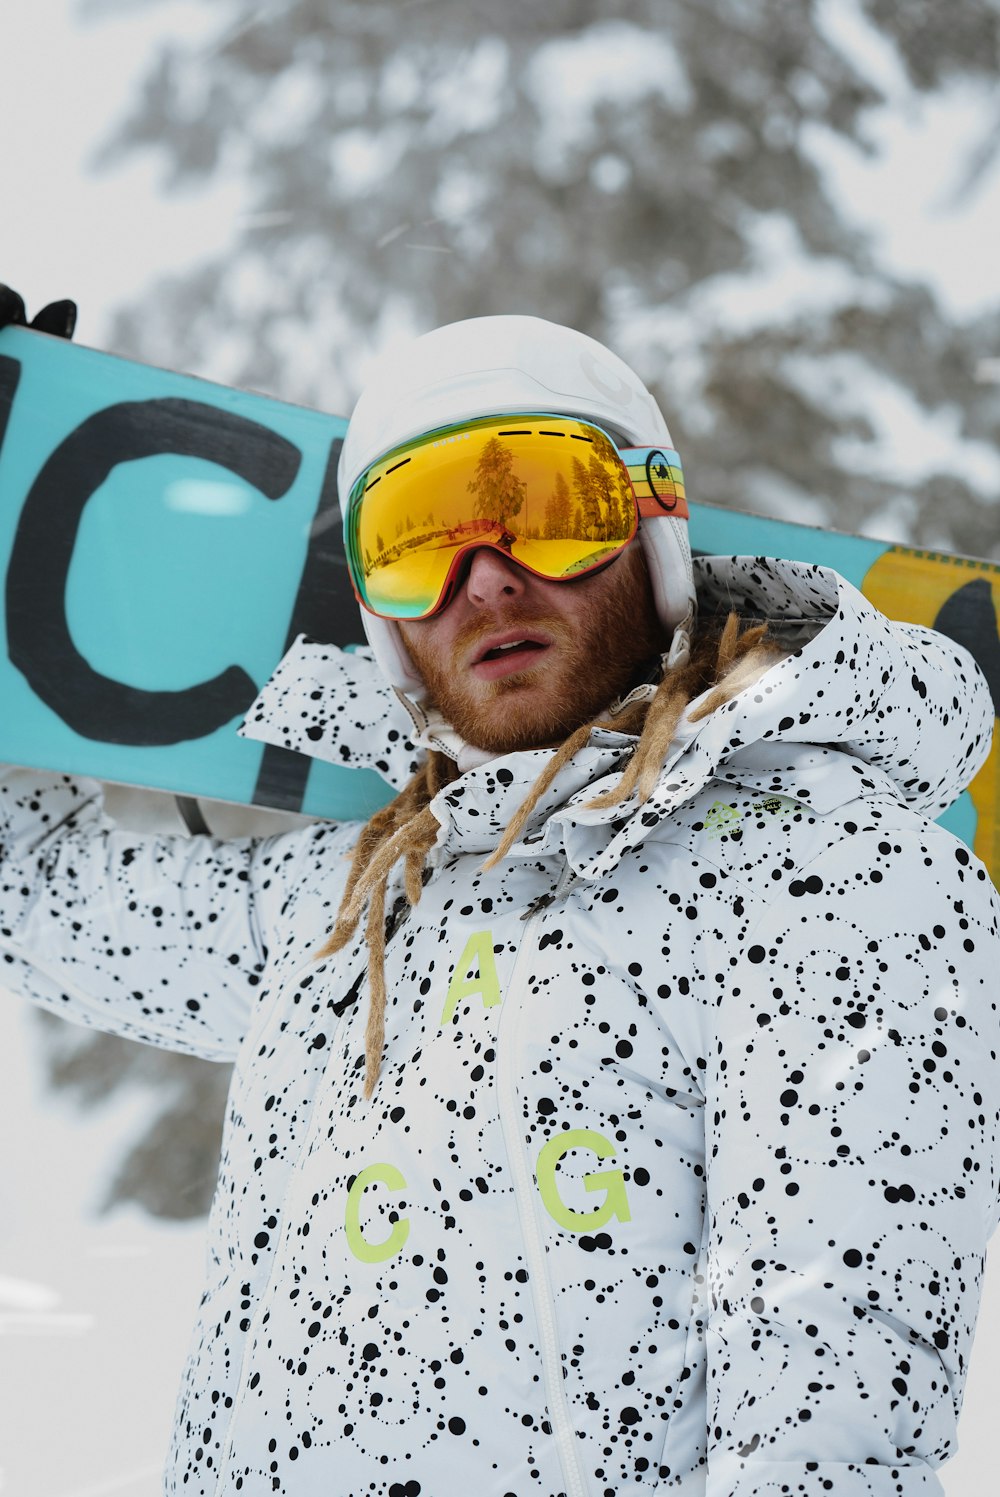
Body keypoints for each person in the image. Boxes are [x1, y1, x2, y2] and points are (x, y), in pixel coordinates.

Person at [2, 296, 999, 1497]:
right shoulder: (367, 893)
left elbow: (832, 1442)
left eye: (546, 511)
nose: (485, 581)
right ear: (379, 609)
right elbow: (37, 891)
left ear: (653, 526)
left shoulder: (840, 879)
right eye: (417, 539)